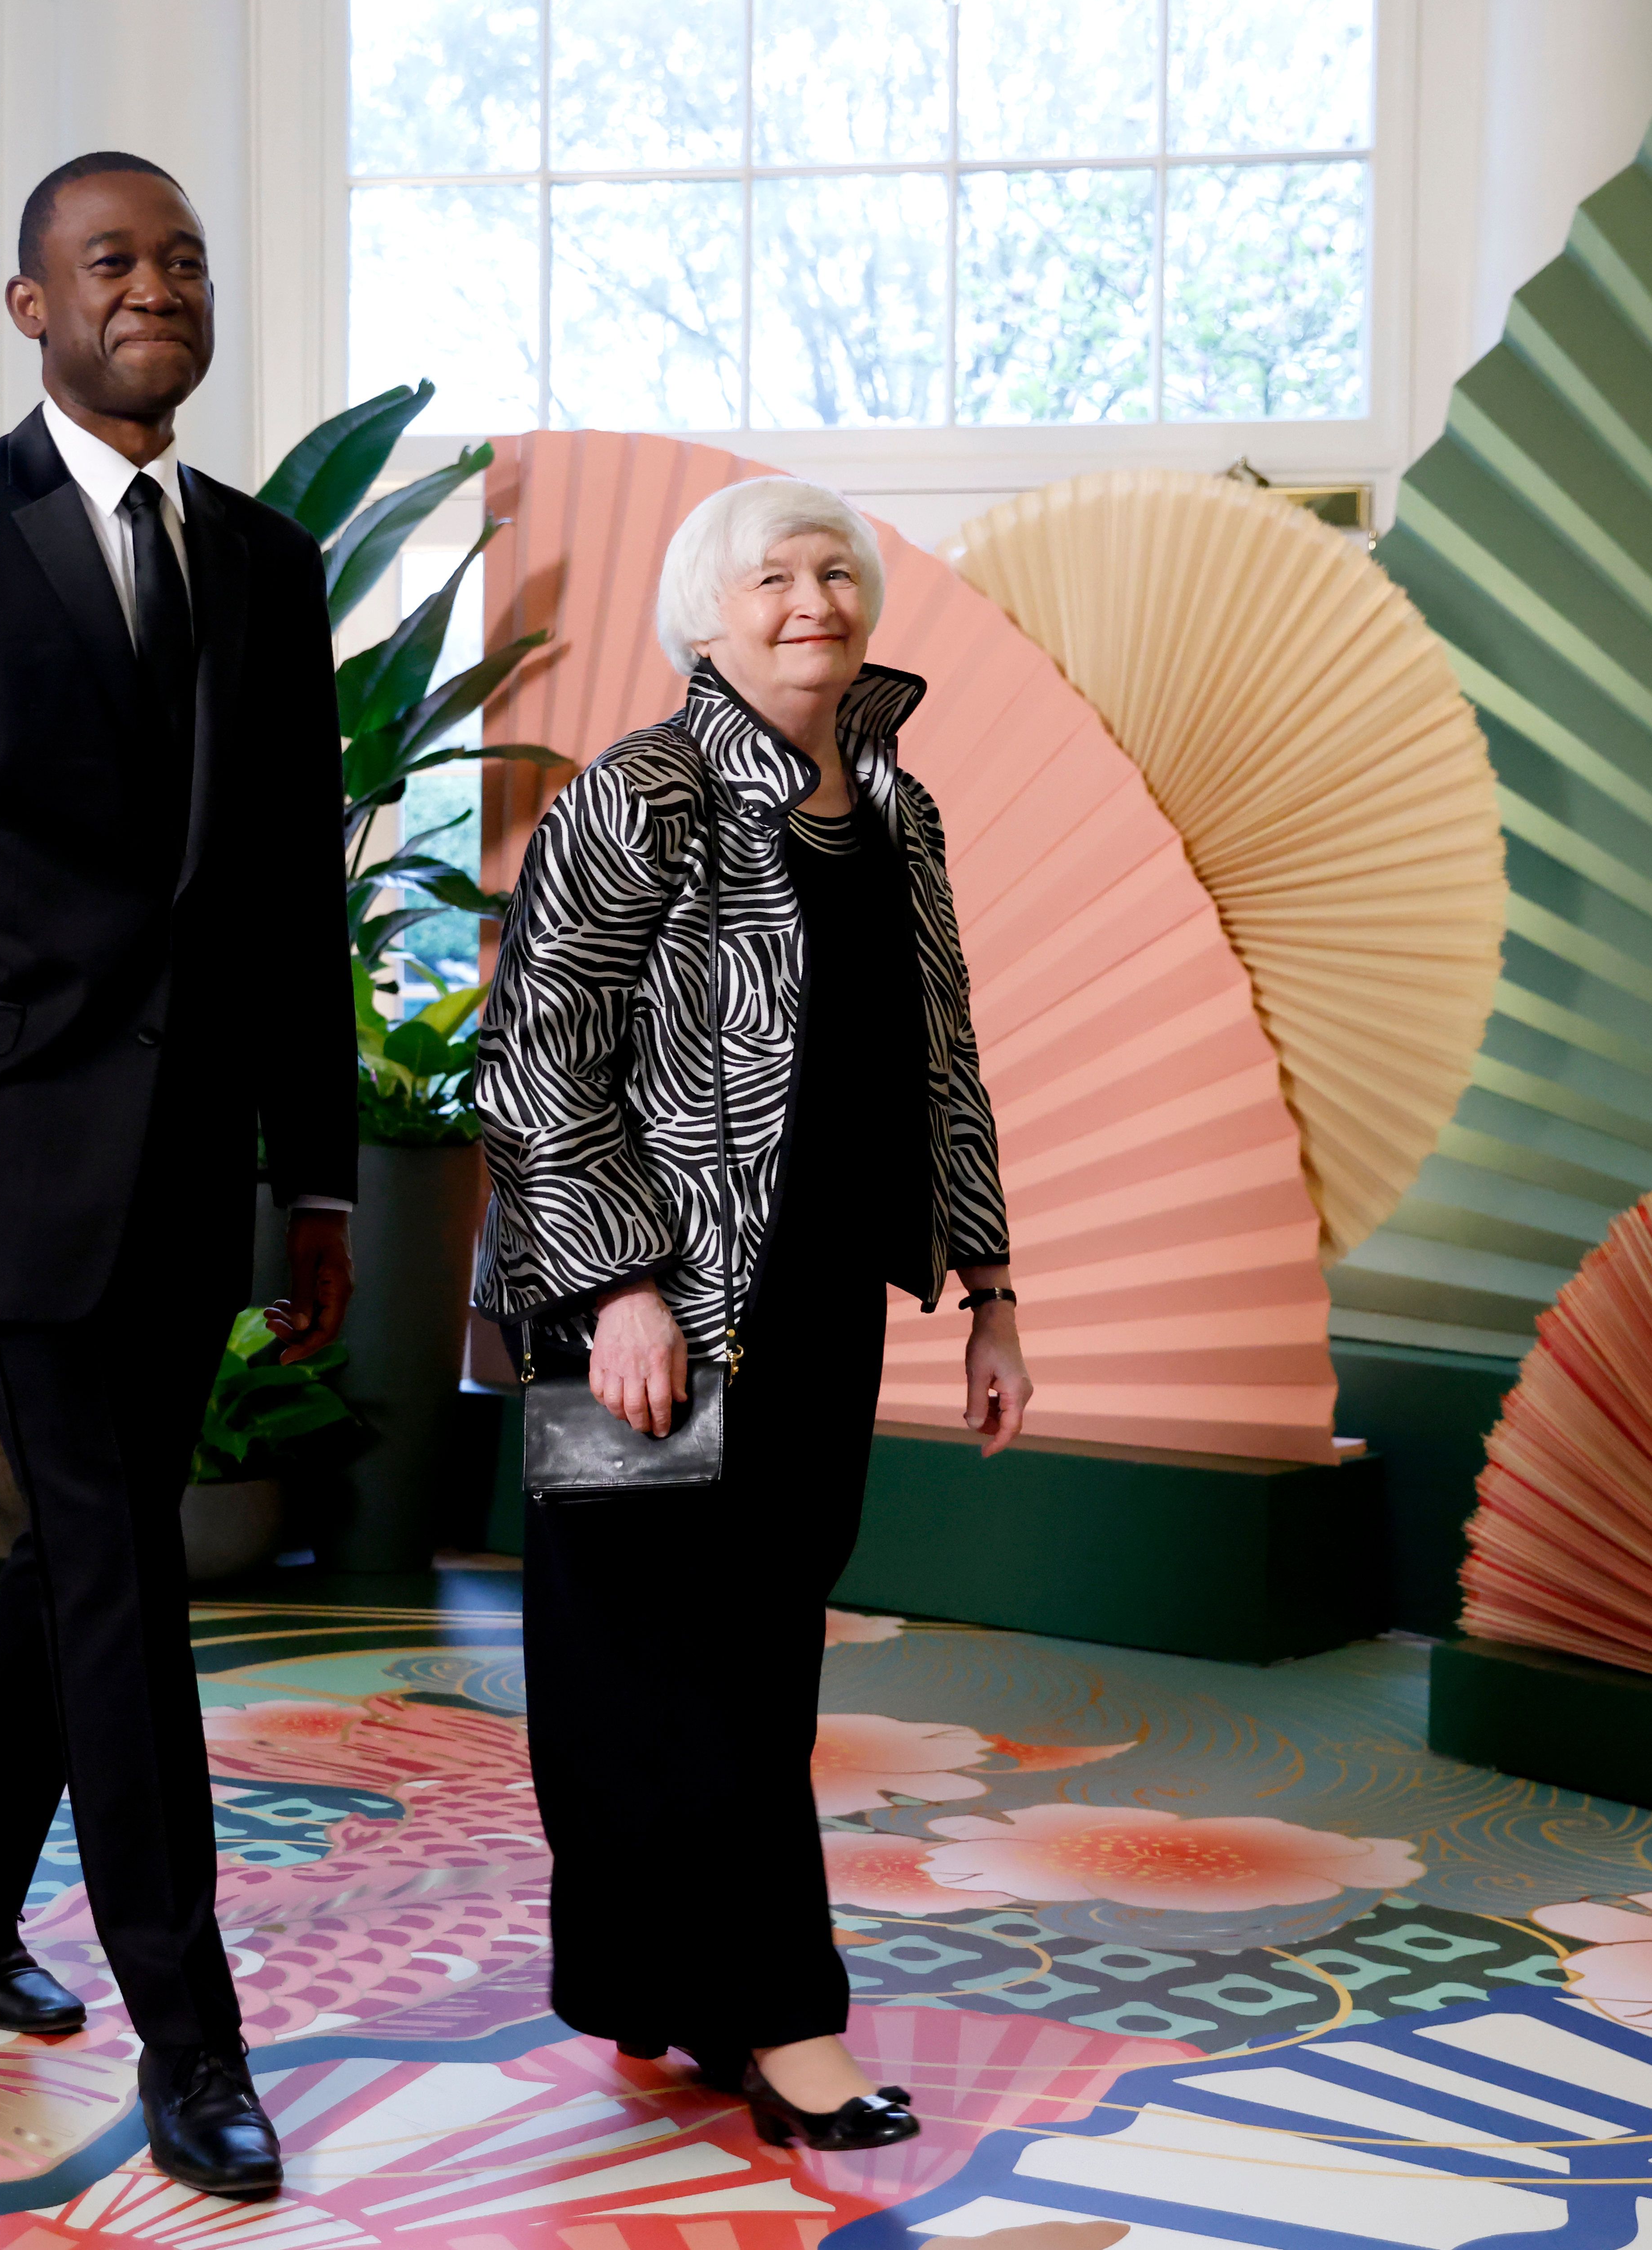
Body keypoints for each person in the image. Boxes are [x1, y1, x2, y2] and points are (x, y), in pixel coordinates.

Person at [0, 151, 356, 2201]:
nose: (156, 285)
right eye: (111, 260)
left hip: (193, 1163)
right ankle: (192, 2035)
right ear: (28, 306)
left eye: (183, 258)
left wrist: (321, 1180)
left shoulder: (269, 562)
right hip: (5, 1155)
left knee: (76, 1553)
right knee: (126, 1576)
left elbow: (294, 898)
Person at [471, 477, 1029, 2151]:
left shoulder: (900, 815)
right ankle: (784, 2023)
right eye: (772, 576)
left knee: (756, 1656)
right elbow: (539, 1058)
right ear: (703, 617)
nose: (813, 599)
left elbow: (944, 1063)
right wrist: (616, 1288)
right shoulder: (633, 799)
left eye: (835, 569)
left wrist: (992, 1291)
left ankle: (681, 1991)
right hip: (636, 1313)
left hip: (814, 1306)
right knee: (652, 1665)